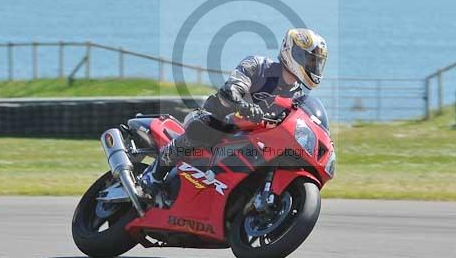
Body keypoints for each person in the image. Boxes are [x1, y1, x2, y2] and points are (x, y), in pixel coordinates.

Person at [140, 28, 328, 197]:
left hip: (251, 136)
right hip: (219, 119)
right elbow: (232, 88)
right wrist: (242, 103)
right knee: (204, 128)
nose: (313, 66)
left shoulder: (297, 96)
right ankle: (154, 173)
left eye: (316, 62)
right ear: (294, 53)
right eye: (310, 60)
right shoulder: (259, 66)